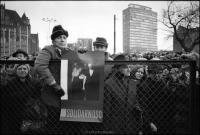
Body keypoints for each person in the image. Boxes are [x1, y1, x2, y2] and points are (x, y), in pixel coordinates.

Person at [34, 25, 79, 132]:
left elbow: (79, 66)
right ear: (53, 40)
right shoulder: (48, 50)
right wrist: (54, 85)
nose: (62, 39)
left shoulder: (70, 51)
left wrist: (82, 54)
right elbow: (40, 66)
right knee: (53, 124)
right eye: (59, 37)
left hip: (69, 96)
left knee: (68, 126)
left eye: (64, 37)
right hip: (52, 95)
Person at [103, 54, 142, 134]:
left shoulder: (131, 82)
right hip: (116, 126)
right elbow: (107, 110)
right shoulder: (109, 84)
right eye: (125, 67)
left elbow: (135, 101)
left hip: (131, 125)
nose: (129, 69)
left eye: (129, 67)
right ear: (118, 68)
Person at [2, 64, 42, 134]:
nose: (22, 70)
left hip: (29, 112)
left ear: (28, 70)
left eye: (24, 68)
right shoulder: (10, 83)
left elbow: (36, 96)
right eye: (19, 69)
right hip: (14, 112)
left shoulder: (35, 82)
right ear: (16, 71)